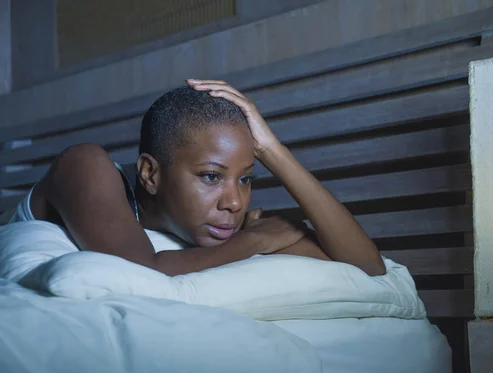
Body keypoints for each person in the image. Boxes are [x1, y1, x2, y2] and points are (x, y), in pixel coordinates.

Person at [12, 80, 385, 276]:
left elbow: (367, 265)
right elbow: (141, 274)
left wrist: (272, 150)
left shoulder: (215, 224)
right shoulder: (86, 166)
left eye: (245, 179)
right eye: (211, 176)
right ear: (149, 173)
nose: (235, 203)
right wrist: (255, 242)